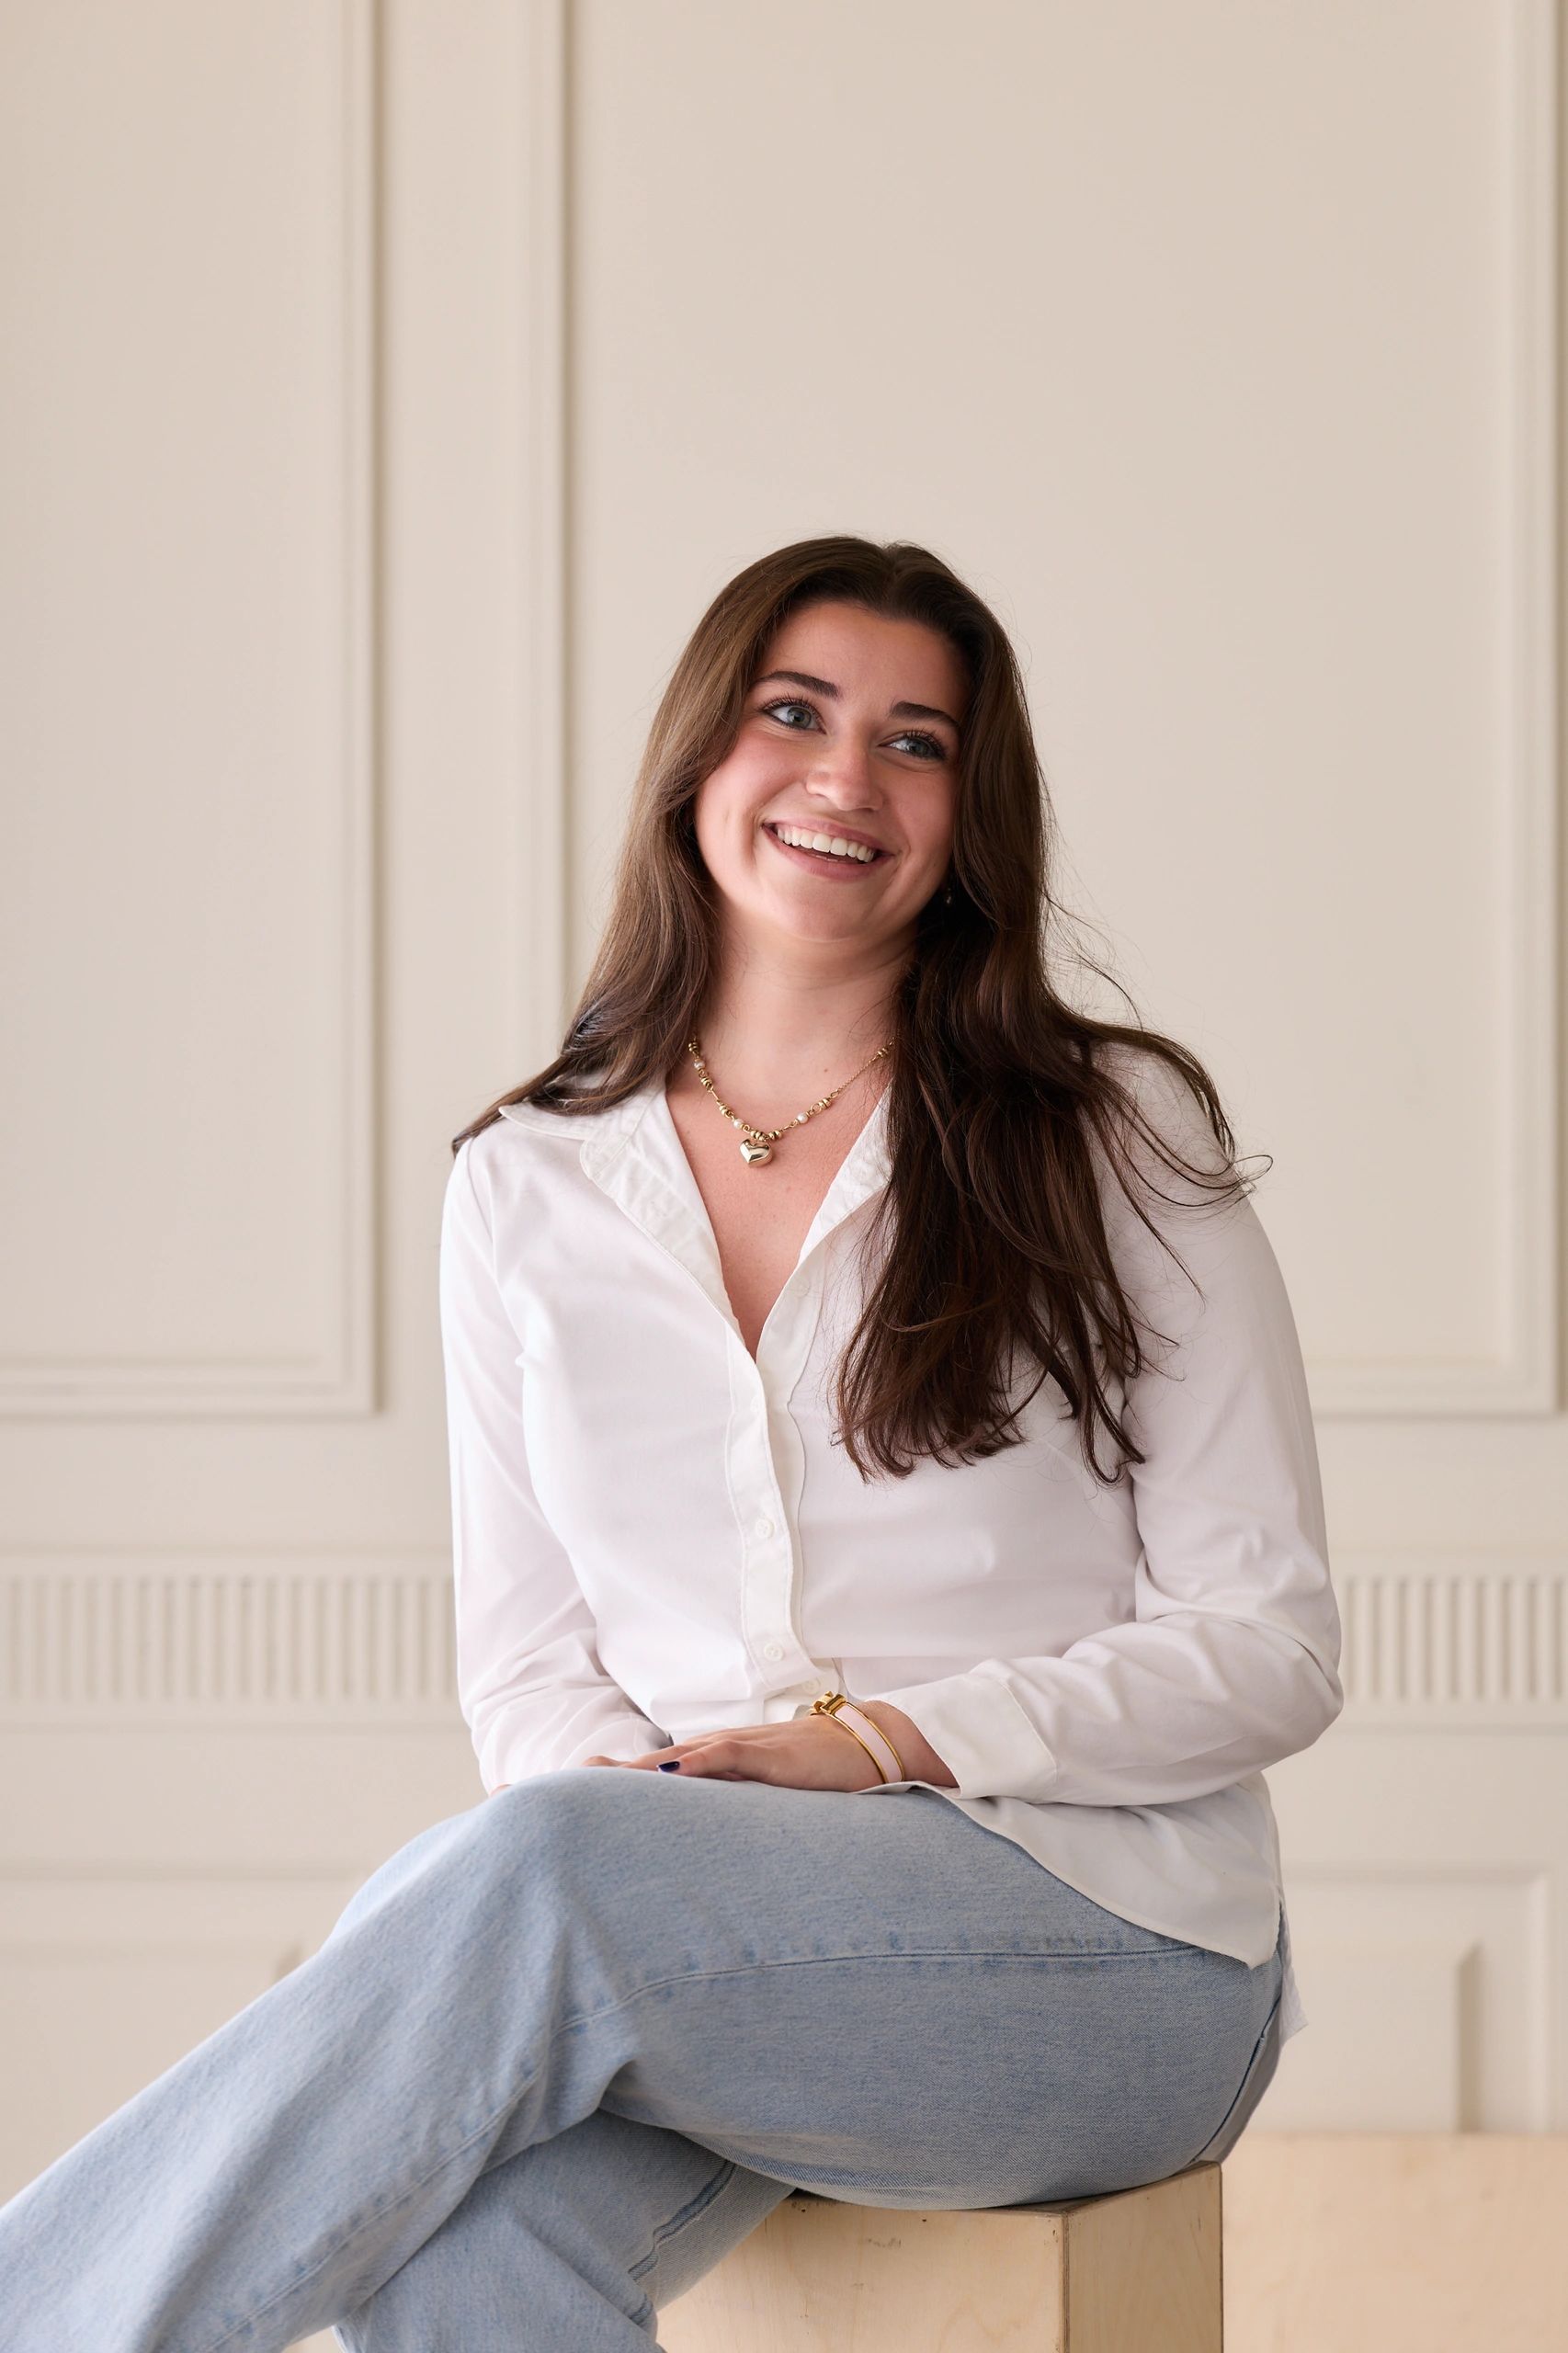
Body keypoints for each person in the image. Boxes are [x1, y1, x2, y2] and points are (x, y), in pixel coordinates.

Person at [0, 536, 1343, 2351]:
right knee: (448, 2230)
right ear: (699, 754)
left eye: (916, 741)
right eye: (794, 712)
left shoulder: (1107, 1133)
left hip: (1114, 1958)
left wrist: (879, 1747)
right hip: (684, 1945)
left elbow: (1269, 1643)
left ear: (971, 815)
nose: (845, 776)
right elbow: (532, 1673)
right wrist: (664, 1822)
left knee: (538, 1867)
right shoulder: (524, 1184)